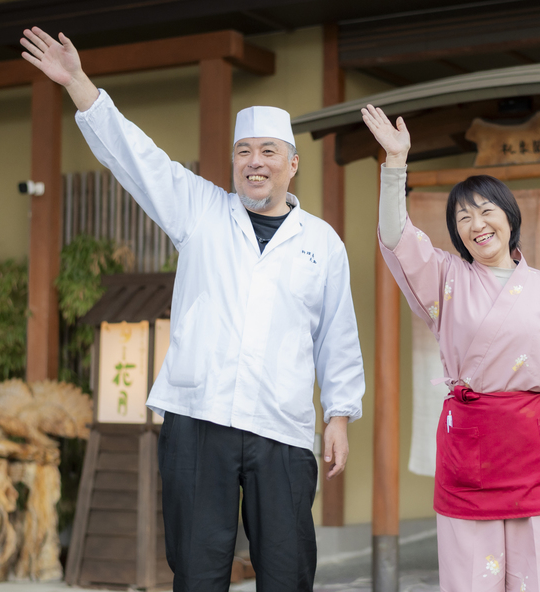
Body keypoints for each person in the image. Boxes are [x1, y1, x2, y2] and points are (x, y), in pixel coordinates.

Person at [20, 27, 366, 592]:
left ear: (292, 164)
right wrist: (79, 84)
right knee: (197, 571)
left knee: (287, 570)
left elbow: (337, 335)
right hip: (199, 416)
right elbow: (137, 158)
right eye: (244, 151)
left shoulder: (321, 242)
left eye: (268, 152)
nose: (255, 163)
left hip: (281, 424)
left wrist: (340, 415)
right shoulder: (201, 211)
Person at [363, 104, 540, 592]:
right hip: (470, 449)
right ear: (456, 232)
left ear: (509, 218)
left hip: (537, 452)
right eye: (463, 217)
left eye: (486, 211)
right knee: (470, 579)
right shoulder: (445, 278)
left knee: (536, 579)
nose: (476, 224)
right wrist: (396, 165)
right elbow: (396, 237)